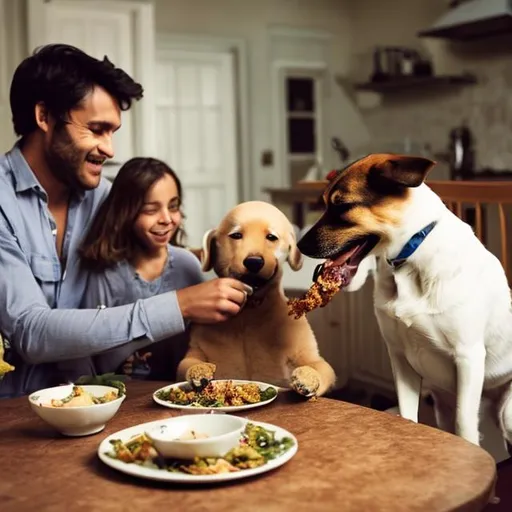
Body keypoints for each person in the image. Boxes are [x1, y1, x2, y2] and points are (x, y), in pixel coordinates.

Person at [0, 44, 250, 398]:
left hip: (99, 401)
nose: (110, 149)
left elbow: (157, 249)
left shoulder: (106, 198)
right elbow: (30, 332)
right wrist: (181, 304)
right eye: (97, 129)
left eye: (113, 132)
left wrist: (236, 261)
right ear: (44, 117)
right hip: (13, 416)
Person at [58, 157, 203, 382]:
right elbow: (90, 351)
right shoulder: (104, 274)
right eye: (150, 210)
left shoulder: (188, 267)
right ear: (125, 213)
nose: (166, 219)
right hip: (124, 400)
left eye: (173, 206)